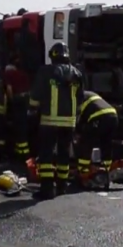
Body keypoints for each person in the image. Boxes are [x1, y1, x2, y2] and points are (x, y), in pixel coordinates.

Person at [30, 42, 84, 199]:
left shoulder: (45, 71)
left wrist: (32, 109)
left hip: (49, 121)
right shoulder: (77, 73)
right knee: (64, 155)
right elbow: (80, 98)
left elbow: (36, 95)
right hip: (69, 122)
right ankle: (62, 186)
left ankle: (47, 190)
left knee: (46, 155)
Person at [74, 90, 117, 187]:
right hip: (113, 116)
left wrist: (78, 131)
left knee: (86, 142)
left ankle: (83, 172)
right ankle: (106, 169)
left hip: (99, 117)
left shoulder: (78, 98)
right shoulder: (89, 94)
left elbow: (80, 118)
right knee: (106, 143)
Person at [4, 60, 31, 164]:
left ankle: (21, 155)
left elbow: (9, 89)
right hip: (25, 101)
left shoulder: (8, 74)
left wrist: (11, 102)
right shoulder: (23, 74)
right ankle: (25, 153)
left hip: (17, 101)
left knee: (18, 129)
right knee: (23, 127)